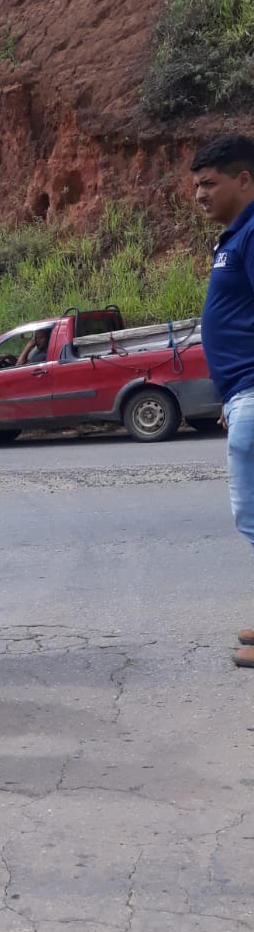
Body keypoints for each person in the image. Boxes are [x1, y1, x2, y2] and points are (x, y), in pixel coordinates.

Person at [191, 134, 254, 669]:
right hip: (242, 395)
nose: (199, 194)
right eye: (196, 185)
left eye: (210, 183)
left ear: (245, 180)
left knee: (252, 516)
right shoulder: (237, 236)